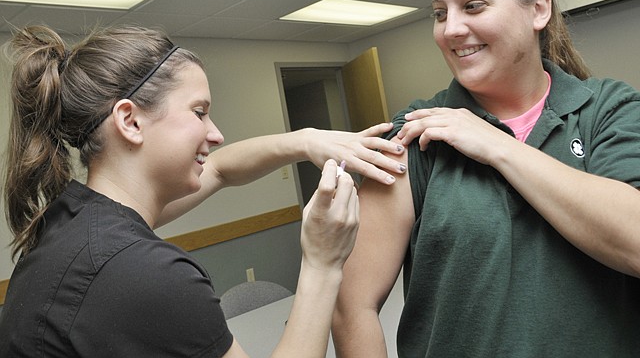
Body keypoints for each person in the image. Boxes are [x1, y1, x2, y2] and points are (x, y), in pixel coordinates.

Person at [332, 0, 640, 357]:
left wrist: (497, 146)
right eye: (439, 13)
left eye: (472, 6)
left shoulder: (609, 109)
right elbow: (351, 305)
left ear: (538, 9)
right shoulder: (418, 132)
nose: (451, 29)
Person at [0, 24, 406, 357]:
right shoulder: (139, 271)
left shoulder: (75, 221)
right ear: (130, 121)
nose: (216, 134)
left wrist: (306, 140)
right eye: (199, 112)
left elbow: (222, 169)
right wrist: (322, 262)